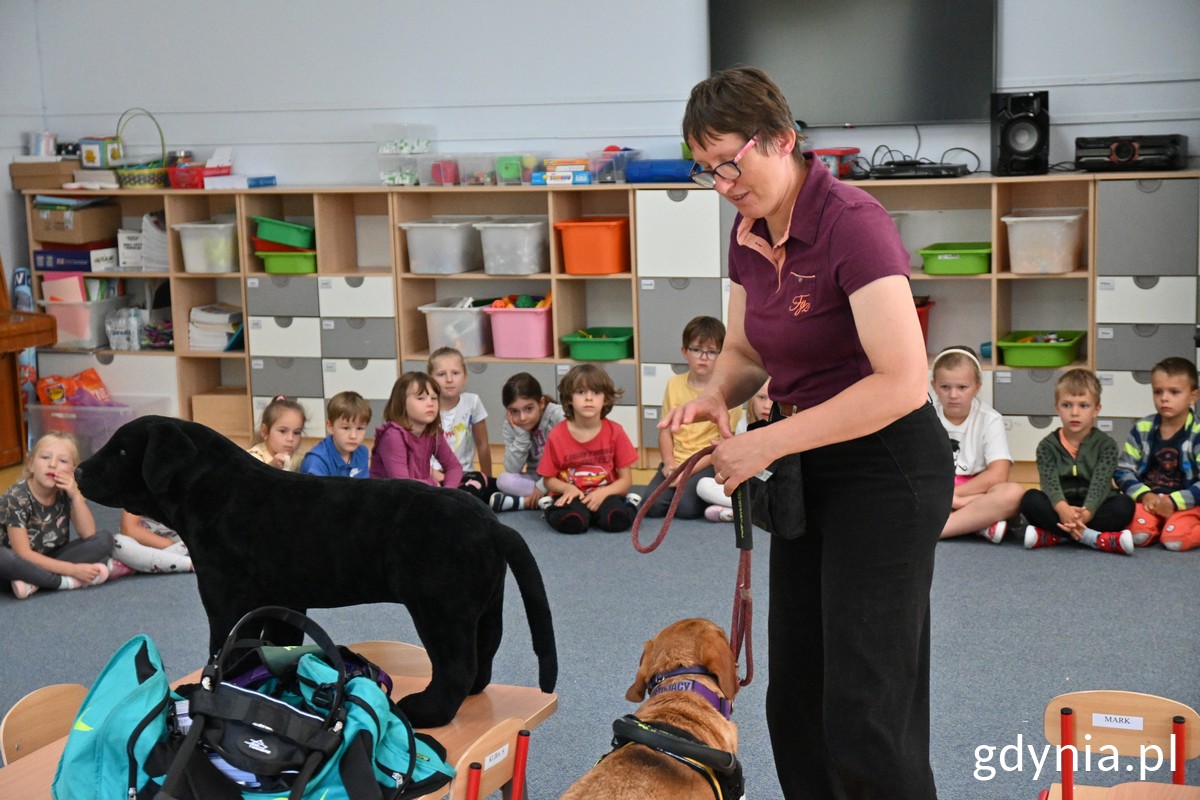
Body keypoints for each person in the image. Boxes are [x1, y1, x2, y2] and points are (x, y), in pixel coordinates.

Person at [666, 66, 953, 798]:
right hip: (807, 466)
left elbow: (901, 381)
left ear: (784, 140)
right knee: (793, 704)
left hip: (887, 468)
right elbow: (744, 353)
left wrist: (764, 442)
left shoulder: (852, 222)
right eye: (707, 171)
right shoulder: (746, 229)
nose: (723, 183)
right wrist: (713, 396)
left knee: (866, 712)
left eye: (731, 162)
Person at [1019, 368, 1135, 554]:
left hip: (1094, 506)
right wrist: (1063, 508)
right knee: (1029, 499)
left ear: (1096, 409)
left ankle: (1054, 536)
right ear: (1057, 407)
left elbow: (1101, 483)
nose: (1074, 413)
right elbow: (1049, 483)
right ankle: (1094, 538)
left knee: (1125, 505)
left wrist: (1087, 512)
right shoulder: (1046, 446)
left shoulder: (1107, 445)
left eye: (1083, 405)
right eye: (1067, 405)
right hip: (1060, 506)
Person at [644, 316, 743, 519]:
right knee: (651, 508)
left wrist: (685, 472)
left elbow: (721, 445)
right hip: (675, 461)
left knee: (685, 510)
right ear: (685, 352)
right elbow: (665, 431)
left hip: (705, 463)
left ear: (721, 355)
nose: (703, 357)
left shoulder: (730, 392)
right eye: (697, 350)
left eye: (712, 351)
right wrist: (670, 464)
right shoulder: (673, 384)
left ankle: (716, 503)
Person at [0, 431, 114, 599]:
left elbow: (88, 533)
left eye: (62, 461)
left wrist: (75, 496)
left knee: (105, 540)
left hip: (51, 555)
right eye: (45, 458)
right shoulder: (16, 497)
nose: (52, 464)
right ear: (31, 464)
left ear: (72, 470)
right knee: (3, 558)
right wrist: (74, 570)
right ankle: (64, 582)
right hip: (16, 564)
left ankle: (34, 582)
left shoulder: (65, 492)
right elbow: (23, 553)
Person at [932, 346, 1026, 543]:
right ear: (934, 385)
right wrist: (949, 496)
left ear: (977, 386)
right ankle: (978, 523)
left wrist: (954, 497)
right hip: (938, 488)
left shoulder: (990, 419)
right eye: (945, 387)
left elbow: (999, 474)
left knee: (1014, 494)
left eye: (962, 387)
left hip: (973, 489)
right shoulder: (926, 417)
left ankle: (938, 530)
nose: (953, 395)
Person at [537, 364, 640, 534]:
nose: (589, 398)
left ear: (606, 399)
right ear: (569, 398)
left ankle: (629, 504)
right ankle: (549, 507)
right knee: (573, 523)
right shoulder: (557, 435)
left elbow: (625, 480)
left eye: (596, 392)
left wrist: (603, 493)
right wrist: (568, 489)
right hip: (572, 495)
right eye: (581, 392)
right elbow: (548, 480)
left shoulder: (616, 431)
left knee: (616, 521)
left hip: (606, 493)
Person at [1114, 356, 1200, 551]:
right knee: (1138, 536)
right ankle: (1160, 524)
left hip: (1188, 504)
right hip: (1149, 502)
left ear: (1193, 397)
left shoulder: (1198, 433)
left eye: (1174, 392)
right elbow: (1122, 471)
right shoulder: (1142, 428)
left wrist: (1174, 502)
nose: (1164, 398)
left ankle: (1173, 526)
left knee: (1174, 541)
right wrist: (1145, 496)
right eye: (1158, 391)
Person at [695, 377, 772, 522]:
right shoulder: (744, 425)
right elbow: (738, 468)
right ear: (752, 399)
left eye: (773, 399)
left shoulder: (785, 427)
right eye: (761, 398)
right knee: (703, 485)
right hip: (749, 486)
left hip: (773, 489)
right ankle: (750, 512)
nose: (767, 405)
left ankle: (740, 512)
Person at [489, 372, 566, 512]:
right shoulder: (510, 425)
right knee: (503, 480)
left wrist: (541, 487)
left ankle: (523, 502)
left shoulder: (558, 416)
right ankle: (547, 499)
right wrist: (522, 437)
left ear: (541, 403)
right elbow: (512, 469)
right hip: (536, 477)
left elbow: (566, 461)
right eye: (514, 411)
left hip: (562, 475)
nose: (523, 417)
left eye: (529, 409)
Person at [370, 371, 462, 487]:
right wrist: (433, 484)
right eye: (421, 398)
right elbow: (403, 484)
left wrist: (449, 491)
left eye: (434, 398)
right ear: (402, 402)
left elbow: (454, 466)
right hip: (392, 499)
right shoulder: (393, 436)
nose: (430, 403)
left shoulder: (432, 432)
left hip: (421, 493)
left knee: (475, 480)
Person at [427, 347, 492, 499]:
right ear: (430, 378)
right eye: (441, 374)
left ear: (465, 376)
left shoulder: (472, 402)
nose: (449, 379)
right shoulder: (426, 405)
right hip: (432, 474)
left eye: (455, 373)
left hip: (464, 474)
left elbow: (482, 444)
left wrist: (488, 479)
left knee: (472, 490)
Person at [300, 391, 372, 478]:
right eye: (346, 428)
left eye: (360, 428)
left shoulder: (362, 452)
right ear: (330, 426)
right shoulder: (317, 460)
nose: (353, 436)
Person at [110, 511, 193, 576]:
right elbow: (128, 529)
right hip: (143, 545)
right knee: (117, 542)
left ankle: (133, 565)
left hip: (183, 543)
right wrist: (169, 545)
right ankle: (190, 564)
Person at [247, 396, 306, 471]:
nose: (290, 438)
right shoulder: (254, 457)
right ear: (265, 431)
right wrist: (271, 468)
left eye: (296, 432)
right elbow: (249, 480)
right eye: (283, 431)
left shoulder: (298, 458)